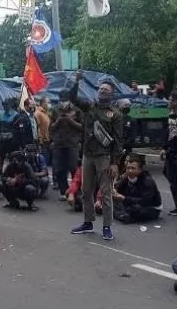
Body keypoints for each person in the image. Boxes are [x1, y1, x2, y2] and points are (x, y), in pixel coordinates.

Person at [68, 70, 123, 241]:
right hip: (88, 155)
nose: (103, 91)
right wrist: (76, 81)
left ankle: (107, 226)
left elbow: (119, 140)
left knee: (106, 193)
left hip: (104, 156)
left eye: (106, 90)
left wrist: (115, 163)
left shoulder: (115, 114)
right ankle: (88, 223)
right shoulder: (89, 106)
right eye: (101, 89)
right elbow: (73, 98)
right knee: (86, 191)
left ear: (112, 94)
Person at [50, 89, 83, 200]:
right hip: (59, 144)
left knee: (73, 168)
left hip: (72, 143)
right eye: (61, 99)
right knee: (59, 169)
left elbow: (82, 127)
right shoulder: (55, 110)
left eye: (65, 99)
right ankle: (63, 191)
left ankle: (75, 191)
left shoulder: (77, 110)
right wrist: (58, 121)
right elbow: (51, 127)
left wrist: (70, 120)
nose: (63, 102)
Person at [113, 155, 162, 224]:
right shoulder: (126, 179)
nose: (130, 171)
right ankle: (124, 215)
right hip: (131, 203)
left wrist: (125, 199)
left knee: (137, 209)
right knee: (112, 203)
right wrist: (115, 192)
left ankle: (123, 215)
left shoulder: (147, 181)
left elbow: (145, 201)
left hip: (150, 206)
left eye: (133, 168)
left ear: (140, 170)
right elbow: (118, 189)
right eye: (128, 168)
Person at [0, 98, 19, 173]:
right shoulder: (0, 115)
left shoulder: (16, 115)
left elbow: (17, 129)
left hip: (12, 142)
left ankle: (12, 173)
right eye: (3, 104)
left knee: (12, 159)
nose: (5, 106)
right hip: (2, 140)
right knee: (1, 158)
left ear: (10, 105)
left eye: (6, 104)